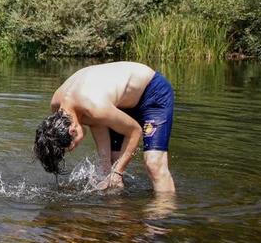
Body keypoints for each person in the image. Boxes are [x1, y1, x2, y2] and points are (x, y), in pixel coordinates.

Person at [33, 61, 175, 192]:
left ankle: (163, 214)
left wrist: (118, 172)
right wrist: (106, 170)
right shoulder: (58, 106)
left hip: (151, 92)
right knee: (112, 164)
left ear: (72, 130)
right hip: (118, 103)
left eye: (72, 146)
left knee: (154, 164)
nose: (74, 148)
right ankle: (115, 213)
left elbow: (135, 131)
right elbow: (97, 124)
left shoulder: (94, 106)